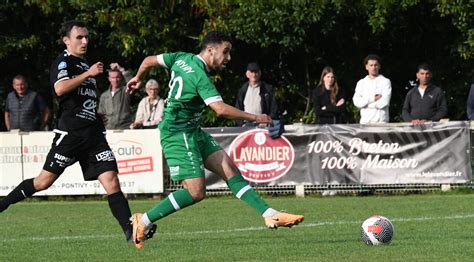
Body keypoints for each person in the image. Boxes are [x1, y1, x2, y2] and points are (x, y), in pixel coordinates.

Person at [126, 31, 304, 250]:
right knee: (196, 192)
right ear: (210, 49)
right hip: (177, 133)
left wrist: (137, 77)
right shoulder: (199, 76)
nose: (228, 58)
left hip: (192, 130)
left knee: (230, 169)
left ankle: (270, 214)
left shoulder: (181, 57)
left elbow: (148, 60)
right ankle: (142, 221)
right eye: (225, 51)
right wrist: (256, 117)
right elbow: (220, 110)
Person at [0, 20, 156, 242]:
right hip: (71, 134)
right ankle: (2, 204)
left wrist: (95, 113)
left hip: (92, 133)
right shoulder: (63, 62)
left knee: (111, 179)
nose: (85, 41)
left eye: (86, 37)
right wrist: (89, 75)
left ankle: (131, 232)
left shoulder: (84, 65)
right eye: (79, 37)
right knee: (43, 182)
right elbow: (60, 89)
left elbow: (82, 97)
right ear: (66, 40)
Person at [352, 54, 391, 124]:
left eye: (375, 65)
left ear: (379, 66)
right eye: (371, 65)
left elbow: (384, 102)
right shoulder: (361, 83)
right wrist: (372, 99)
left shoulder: (385, 81)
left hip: (381, 123)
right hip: (365, 123)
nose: (373, 67)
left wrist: (365, 105)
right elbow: (356, 102)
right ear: (366, 67)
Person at [98, 63, 134, 129]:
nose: (115, 80)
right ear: (109, 79)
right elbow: (100, 114)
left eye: (117, 77)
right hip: (108, 129)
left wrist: (121, 69)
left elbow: (132, 83)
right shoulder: (104, 95)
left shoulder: (125, 91)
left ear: (121, 78)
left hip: (124, 128)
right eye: (113, 78)